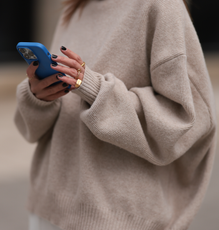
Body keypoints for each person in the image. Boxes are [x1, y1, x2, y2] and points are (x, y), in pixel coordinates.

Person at [14, 0, 217, 229]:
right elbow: (32, 130)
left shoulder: (160, 5)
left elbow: (189, 120)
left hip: (116, 217)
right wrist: (37, 96)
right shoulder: (75, 8)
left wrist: (95, 89)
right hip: (48, 209)